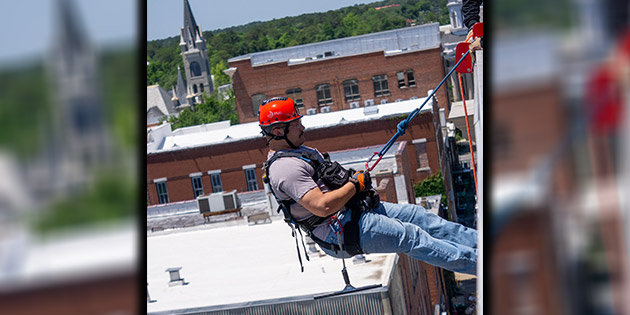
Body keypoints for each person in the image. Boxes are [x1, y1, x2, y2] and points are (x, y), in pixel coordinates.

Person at [260, 97, 478, 275]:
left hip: (352, 212)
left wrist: (352, 182)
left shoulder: (299, 152)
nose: (302, 127)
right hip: (339, 230)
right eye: (296, 124)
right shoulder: (284, 169)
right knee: (412, 237)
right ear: (278, 131)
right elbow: (323, 206)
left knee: (418, 216)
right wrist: (355, 185)